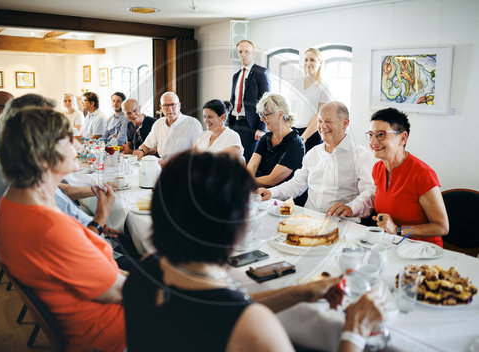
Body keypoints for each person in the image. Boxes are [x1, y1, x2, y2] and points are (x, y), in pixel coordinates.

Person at [123, 151, 385, 352]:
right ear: (234, 227)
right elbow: (235, 316)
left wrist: (300, 292)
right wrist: (355, 332)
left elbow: (218, 310)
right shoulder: (254, 328)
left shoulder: (143, 273)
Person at [0, 107, 126, 351]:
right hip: (114, 334)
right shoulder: (48, 227)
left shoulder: (12, 203)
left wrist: (98, 221)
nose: (78, 146)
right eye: (69, 140)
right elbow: (119, 292)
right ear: (43, 154)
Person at [257, 101, 375, 218]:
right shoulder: (313, 153)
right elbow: (296, 184)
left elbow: (370, 193)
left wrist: (351, 207)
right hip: (309, 219)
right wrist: (272, 192)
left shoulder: (362, 156)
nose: (322, 126)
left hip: (343, 223)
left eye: (328, 121)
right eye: (319, 121)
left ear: (345, 123)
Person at [368, 108, 449, 247]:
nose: (373, 141)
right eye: (370, 134)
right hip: (393, 245)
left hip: (423, 250)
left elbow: (442, 227)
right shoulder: (377, 169)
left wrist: (397, 230)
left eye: (381, 135)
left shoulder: (423, 174)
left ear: (402, 138)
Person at [247, 93, 305, 188]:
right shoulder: (266, 137)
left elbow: (272, 180)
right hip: (259, 189)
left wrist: (246, 182)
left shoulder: (295, 144)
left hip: (280, 197)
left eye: (265, 115)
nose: (262, 119)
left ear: (280, 114)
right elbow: (251, 167)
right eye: (261, 115)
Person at [229, 40, 271, 162]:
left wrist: (262, 127)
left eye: (246, 52)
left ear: (253, 53)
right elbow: (234, 99)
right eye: (240, 52)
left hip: (251, 125)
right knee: (234, 159)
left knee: (248, 160)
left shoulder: (261, 72)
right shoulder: (236, 76)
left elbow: (267, 101)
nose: (243, 55)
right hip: (235, 123)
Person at [133, 91, 202, 161]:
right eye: (166, 105)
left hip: (183, 166)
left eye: (173, 105)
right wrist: (141, 151)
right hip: (162, 165)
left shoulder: (192, 123)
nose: (170, 109)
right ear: (161, 108)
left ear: (179, 106)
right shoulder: (158, 123)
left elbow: (199, 152)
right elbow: (146, 145)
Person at [288, 48, 333, 152]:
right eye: (306, 60)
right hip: (293, 132)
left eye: (312, 60)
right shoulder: (296, 83)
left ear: (320, 62)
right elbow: (289, 110)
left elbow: (319, 116)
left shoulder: (324, 87)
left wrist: (303, 137)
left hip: (312, 135)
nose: (308, 63)